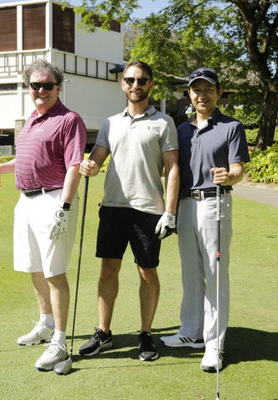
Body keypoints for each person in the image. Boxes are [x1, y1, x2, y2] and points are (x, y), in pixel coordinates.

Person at [0, 59, 86, 372]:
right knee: (35, 268)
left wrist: (65, 207)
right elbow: (31, 157)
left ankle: (59, 340)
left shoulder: (70, 120)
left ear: (59, 87)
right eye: (35, 85)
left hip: (53, 199)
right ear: (29, 88)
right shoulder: (31, 119)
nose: (40, 90)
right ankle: (44, 324)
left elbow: (73, 165)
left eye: (47, 85)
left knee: (54, 273)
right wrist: (2, 167)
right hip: (25, 201)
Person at [78, 60, 179, 361]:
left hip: (148, 210)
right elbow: (97, 157)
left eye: (142, 80)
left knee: (147, 271)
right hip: (112, 207)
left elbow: (172, 169)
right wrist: (90, 165)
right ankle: (103, 332)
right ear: (123, 84)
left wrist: (170, 212)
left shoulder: (163, 122)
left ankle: (146, 334)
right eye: (130, 80)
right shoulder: (111, 123)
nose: (136, 85)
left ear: (151, 84)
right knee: (108, 268)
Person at [160, 67, 250, 372]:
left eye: (208, 89)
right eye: (196, 89)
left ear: (219, 92)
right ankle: (191, 333)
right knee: (191, 273)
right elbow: (171, 172)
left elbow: (238, 169)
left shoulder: (231, 126)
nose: (202, 94)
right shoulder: (181, 130)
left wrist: (229, 175)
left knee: (215, 275)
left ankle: (214, 344)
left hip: (215, 204)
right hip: (186, 206)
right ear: (189, 94)